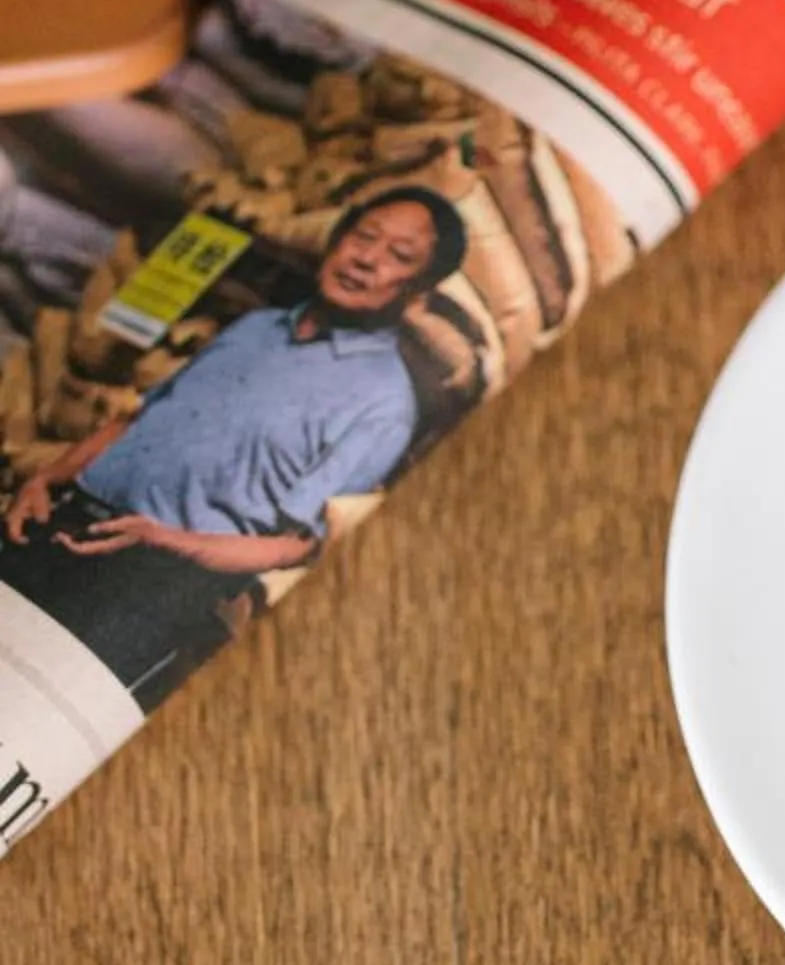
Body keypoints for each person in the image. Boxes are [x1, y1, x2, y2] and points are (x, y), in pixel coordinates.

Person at [0, 186, 465, 708]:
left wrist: (167, 541)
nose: (366, 259)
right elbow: (136, 420)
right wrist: (45, 480)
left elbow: (296, 545)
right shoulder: (256, 327)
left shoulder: (382, 403)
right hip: (59, 524)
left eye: (398, 257)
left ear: (417, 292)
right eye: (364, 237)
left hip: (150, 580)